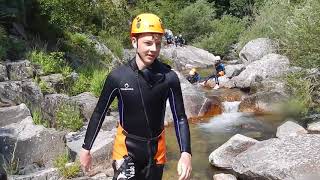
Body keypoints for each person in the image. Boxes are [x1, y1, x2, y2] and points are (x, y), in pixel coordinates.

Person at [80, 13, 192, 180]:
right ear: (134, 42)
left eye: (157, 44)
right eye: (148, 43)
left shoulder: (169, 77)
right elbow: (99, 113)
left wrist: (185, 153)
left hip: (156, 151)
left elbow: (180, 118)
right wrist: (86, 148)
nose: (153, 49)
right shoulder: (118, 77)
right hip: (126, 149)